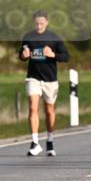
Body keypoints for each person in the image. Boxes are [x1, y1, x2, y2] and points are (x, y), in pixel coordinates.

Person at [19, 10, 68, 156]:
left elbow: (65, 56)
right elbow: (21, 54)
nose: (39, 26)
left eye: (42, 23)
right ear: (34, 23)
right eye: (37, 23)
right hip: (33, 77)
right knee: (33, 108)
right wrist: (24, 55)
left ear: (46, 22)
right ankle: (34, 142)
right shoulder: (29, 37)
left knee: (49, 110)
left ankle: (50, 140)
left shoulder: (54, 38)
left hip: (50, 80)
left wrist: (53, 54)